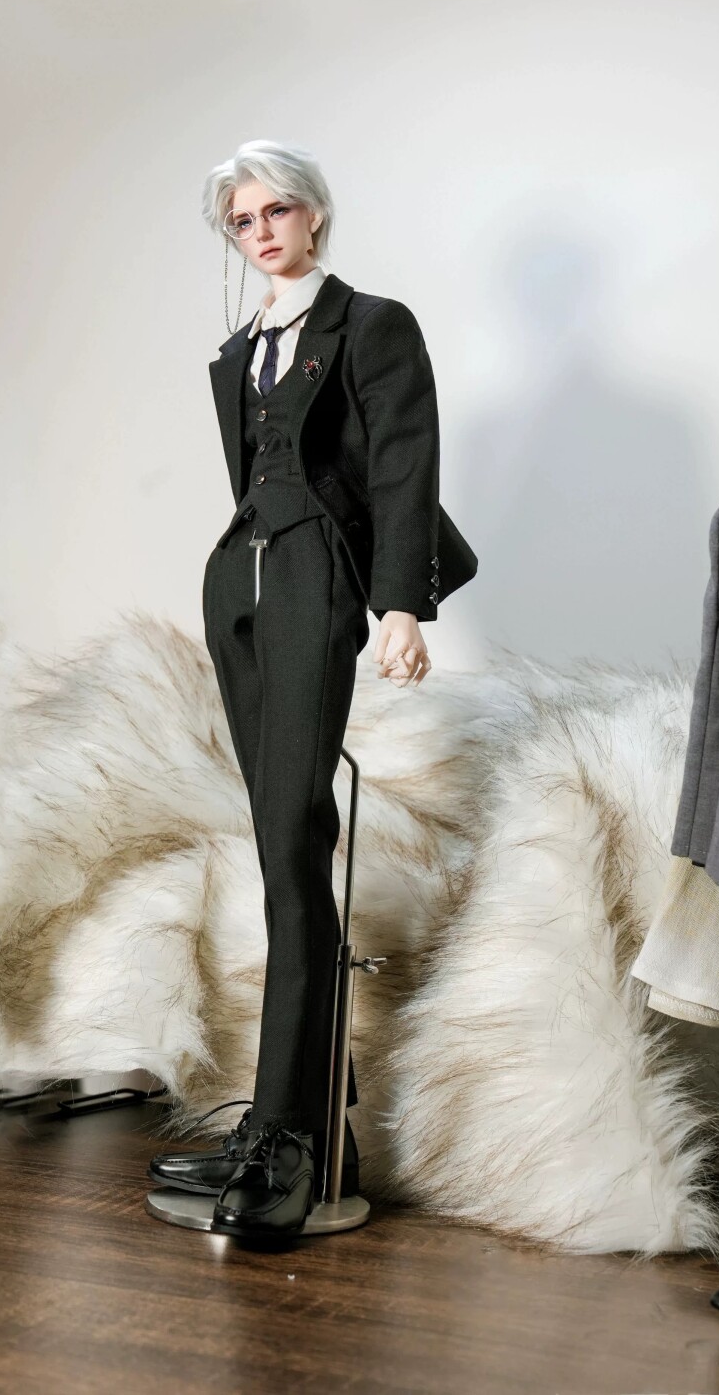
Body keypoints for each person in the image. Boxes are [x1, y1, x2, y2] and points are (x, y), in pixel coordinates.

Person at [148, 140, 477, 1239]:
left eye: (275, 211)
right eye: (241, 222)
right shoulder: (238, 352)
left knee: (293, 847)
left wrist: (399, 606)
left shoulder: (371, 324)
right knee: (279, 848)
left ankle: (289, 1137)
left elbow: (403, 464)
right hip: (235, 586)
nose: (260, 233)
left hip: (312, 581)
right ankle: (295, 1122)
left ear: (314, 214)